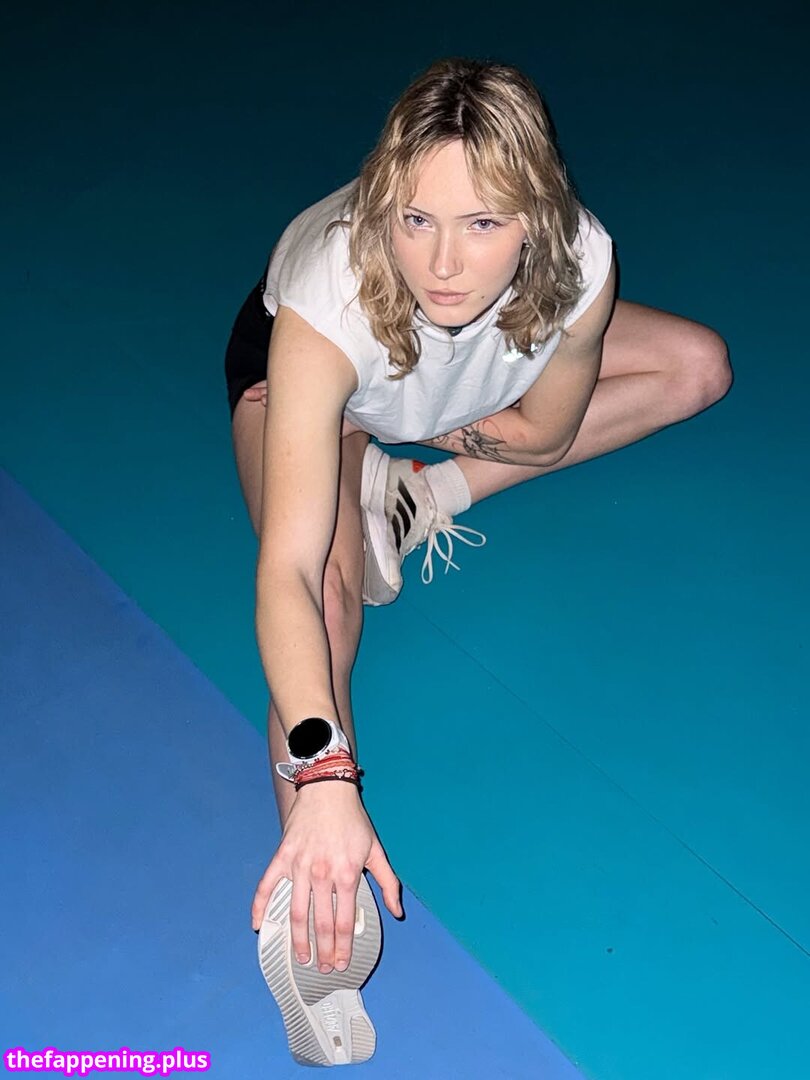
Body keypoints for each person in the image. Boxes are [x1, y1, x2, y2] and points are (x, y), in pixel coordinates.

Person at [224, 57, 732, 1065]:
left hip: (454, 384)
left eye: (483, 222)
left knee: (695, 366)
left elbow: (547, 436)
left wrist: (443, 438)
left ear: (535, 216)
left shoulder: (579, 261)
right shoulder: (329, 298)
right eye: (416, 219)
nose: (444, 263)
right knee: (330, 596)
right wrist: (327, 775)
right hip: (319, 383)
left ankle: (414, 498)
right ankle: (315, 909)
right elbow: (285, 570)